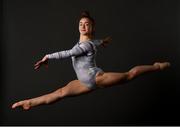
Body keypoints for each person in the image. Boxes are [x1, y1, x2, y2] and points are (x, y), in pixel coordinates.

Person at [11, 11, 170, 110]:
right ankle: (29, 102)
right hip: (83, 82)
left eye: (87, 24)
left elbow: (68, 53)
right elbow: (96, 42)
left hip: (96, 78)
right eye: (81, 24)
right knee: (59, 93)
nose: (83, 26)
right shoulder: (90, 42)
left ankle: (157, 66)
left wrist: (48, 57)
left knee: (130, 75)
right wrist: (103, 42)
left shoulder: (85, 45)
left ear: (92, 27)